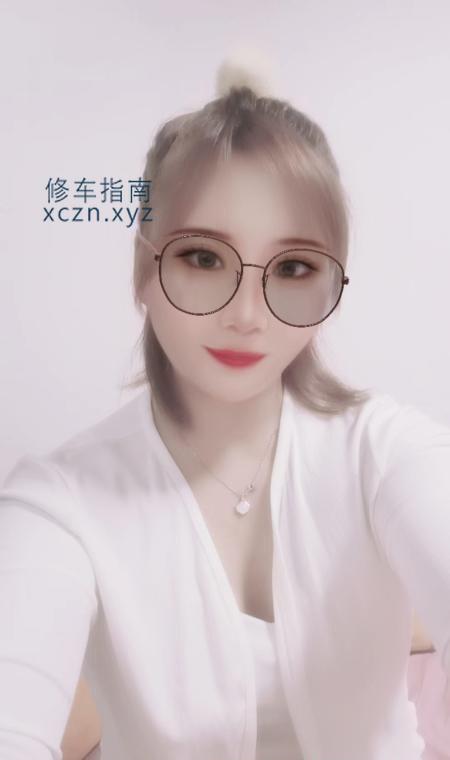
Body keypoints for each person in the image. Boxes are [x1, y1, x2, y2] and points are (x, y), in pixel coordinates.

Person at [1, 56, 450, 760]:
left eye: (293, 268)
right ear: (145, 269)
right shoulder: (60, 506)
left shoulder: (386, 452)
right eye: (205, 258)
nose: (246, 315)